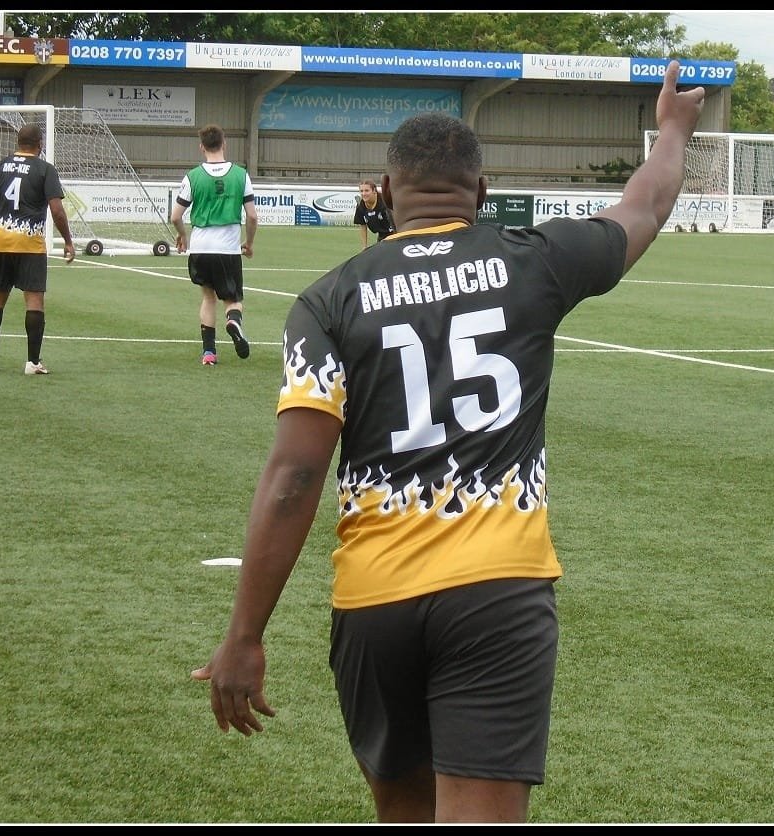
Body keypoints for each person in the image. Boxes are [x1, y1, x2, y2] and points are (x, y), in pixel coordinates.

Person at [192, 61, 705, 823]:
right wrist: (671, 131)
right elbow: (646, 204)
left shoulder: (326, 302)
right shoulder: (537, 260)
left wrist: (244, 636)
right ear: (483, 192)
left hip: (374, 599)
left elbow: (295, 476)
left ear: (385, 191)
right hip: (498, 589)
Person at [0, 123, 75, 375]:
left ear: (18, 142)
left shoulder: (0, 166)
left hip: (2, 242)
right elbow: (57, 210)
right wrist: (68, 240)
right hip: (30, 245)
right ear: (40, 143)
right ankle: (33, 362)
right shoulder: (45, 169)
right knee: (34, 299)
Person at [170, 123, 257, 365]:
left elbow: (175, 216)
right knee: (232, 300)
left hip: (200, 248)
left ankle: (209, 353)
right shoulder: (240, 175)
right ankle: (233, 322)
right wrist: (249, 243)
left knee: (208, 298)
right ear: (224, 144)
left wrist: (183, 235)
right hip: (227, 249)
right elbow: (252, 216)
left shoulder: (193, 176)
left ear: (202, 147)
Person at [353, 178, 395, 250]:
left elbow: (397, 222)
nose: (363, 194)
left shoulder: (385, 202)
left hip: (395, 234)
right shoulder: (361, 205)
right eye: (361, 191)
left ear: (374, 191)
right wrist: (364, 246)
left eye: (367, 191)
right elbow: (362, 225)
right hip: (382, 235)